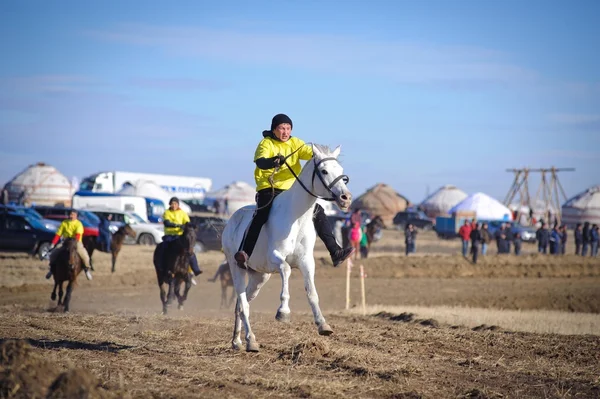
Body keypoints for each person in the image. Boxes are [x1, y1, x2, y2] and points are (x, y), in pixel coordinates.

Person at [234, 113, 354, 269]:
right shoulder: (266, 144)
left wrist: (326, 157)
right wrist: (273, 161)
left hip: (291, 190)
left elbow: (311, 154)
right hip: (269, 188)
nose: (285, 132)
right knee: (261, 214)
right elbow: (261, 162)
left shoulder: (296, 143)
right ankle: (245, 252)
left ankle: (335, 252)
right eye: (281, 128)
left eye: (288, 128)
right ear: (274, 129)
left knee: (318, 211)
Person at [156, 197, 203, 282]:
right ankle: (161, 265)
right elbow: (167, 223)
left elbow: (187, 222)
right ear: (170, 204)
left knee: (190, 249)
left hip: (180, 236)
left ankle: (195, 269)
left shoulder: (183, 213)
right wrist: (177, 225)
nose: (174, 205)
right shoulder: (167, 213)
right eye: (172, 204)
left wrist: (192, 225)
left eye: (175, 204)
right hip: (169, 236)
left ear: (178, 205)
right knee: (163, 248)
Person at [45, 210, 93, 280]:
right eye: (70, 214)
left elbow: (78, 235)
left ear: (76, 216)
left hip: (76, 242)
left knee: (85, 256)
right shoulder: (64, 223)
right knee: (54, 253)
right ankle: (51, 270)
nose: (71, 216)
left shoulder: (78, 224)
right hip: (65, 242)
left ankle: (86, 269)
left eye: (73, 215)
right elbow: (58, 234)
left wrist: (74, 243)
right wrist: (53, 244)